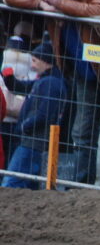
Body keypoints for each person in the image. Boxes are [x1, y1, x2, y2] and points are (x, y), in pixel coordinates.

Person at [3, 0, 100, 187]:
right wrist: (41, 4)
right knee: (82, 132)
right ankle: (82, 185)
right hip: (82, 70)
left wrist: (60, 3)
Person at [2, 40, 67, 189]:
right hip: (33, 141)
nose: (32, 65)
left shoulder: (51, 83)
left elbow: (44, 114)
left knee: (10, 183)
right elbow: (22, 88)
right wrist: (9, 80)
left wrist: (24, 126)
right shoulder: (46, 80)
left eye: (35, 61)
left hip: (32, 142)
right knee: (28, 187)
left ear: (47, 62)